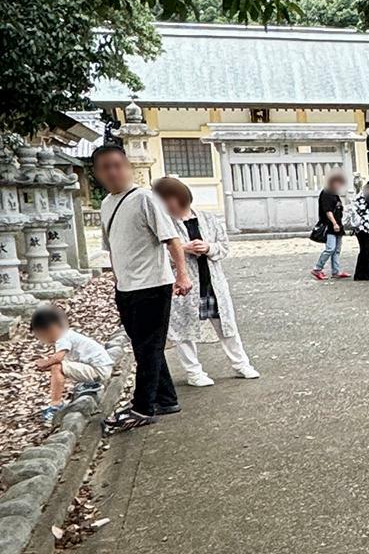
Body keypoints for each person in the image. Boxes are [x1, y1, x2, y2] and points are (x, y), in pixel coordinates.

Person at [93, 140, 191, 433]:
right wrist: (116, 279)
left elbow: (171, 239)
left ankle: (142, 407)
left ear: (128, 167)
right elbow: (112, 247)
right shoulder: (107, 203)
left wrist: (182, 275)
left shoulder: (145, 198)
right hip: (127, 288)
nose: (113, 172)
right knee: (144, 346)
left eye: (118, 165)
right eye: (105, 168)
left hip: (152, 285)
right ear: (96, 173)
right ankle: (166, 398)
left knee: (148, 348)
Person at [153, 175, 260, 386]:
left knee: (226, 325)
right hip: (182, 285)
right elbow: (155, 255)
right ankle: (193, 372)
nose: (167, 205)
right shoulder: (165, 225)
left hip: (212, 282)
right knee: (182, 329)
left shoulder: (209, 219)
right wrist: (181, 249)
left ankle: (241, 364)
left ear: (181, 197)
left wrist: (209, 248)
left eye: (169, 200)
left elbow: (224, 247)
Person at [29, 305, 112, 419]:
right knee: (57, 366)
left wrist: (46, 363)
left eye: (41, 336)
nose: (42, 340)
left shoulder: (62, 338)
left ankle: (56, 405)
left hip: (98, 370)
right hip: (101, 367)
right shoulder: (68, 334)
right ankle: (90, 384)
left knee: (56, 367)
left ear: (50, 329)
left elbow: (58, 359)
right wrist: (49, 364)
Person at [312, 171, 347, 281]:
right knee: (330, 249)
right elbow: (328, 211)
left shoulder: (334, 194)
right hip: (330, 225)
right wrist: (334, 223)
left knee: (336, 250)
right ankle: (317, 268)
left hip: (338, 225)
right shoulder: (326, 193)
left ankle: (336, 271)